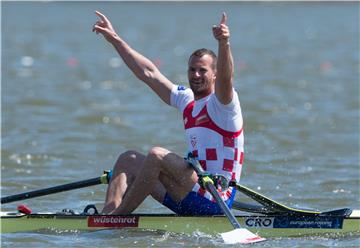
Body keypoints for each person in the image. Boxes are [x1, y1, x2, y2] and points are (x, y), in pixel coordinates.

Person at [92, 10, 244, 215]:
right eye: (192, 70)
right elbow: (149, 73)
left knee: (157, 155)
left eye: (202, 70)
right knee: (128, 159)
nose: (196, 75)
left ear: (215, 74)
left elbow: (227, 79)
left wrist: (223, 42)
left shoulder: (224, 104)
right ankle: (106, 220)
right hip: (188, 192)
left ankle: (118, 218)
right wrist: (115, 40)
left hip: (216, 199)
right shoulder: (187, 99)